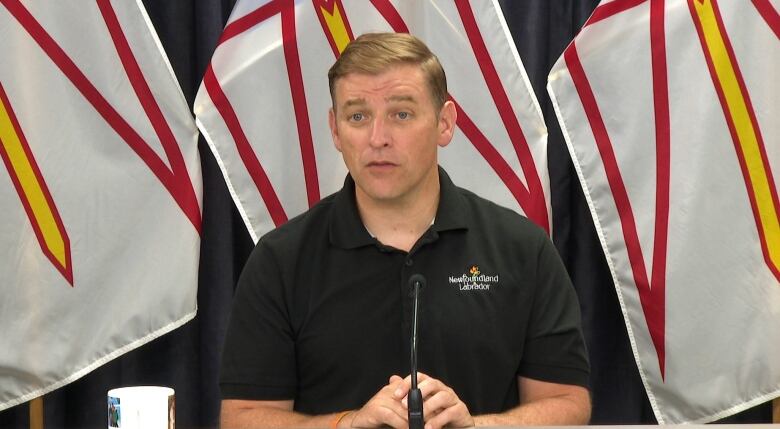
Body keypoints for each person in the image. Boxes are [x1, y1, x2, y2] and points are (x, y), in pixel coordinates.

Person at [219, 32, 590, 428]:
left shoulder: (522, 249)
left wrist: (479, 427)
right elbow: (241, 418)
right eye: (358, 116)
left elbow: (567, 403)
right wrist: (346, 425)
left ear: (444, 123)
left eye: (401, 114)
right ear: (335, 130)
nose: (378, 139)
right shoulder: (281, 260)